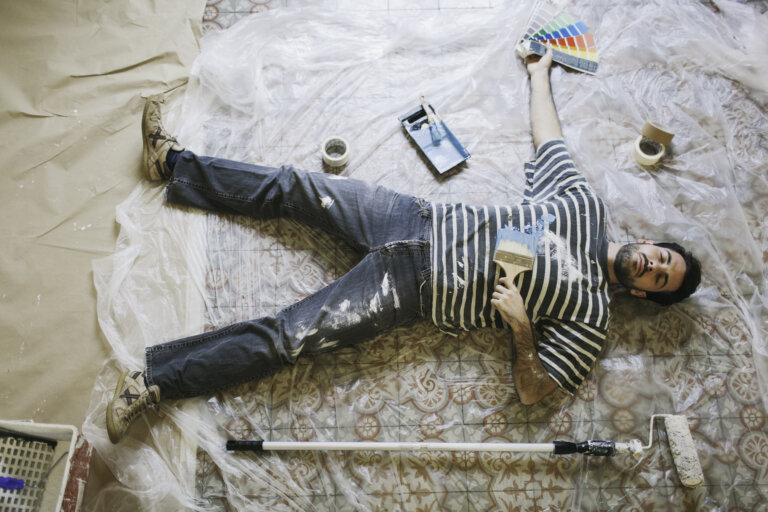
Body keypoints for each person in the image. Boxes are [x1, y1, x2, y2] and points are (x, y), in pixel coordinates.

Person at [106, 46, 701, 444]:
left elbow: (532, 390)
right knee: (298, 187)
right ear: (649, 241)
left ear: (645, 297)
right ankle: (173, 165)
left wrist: (521, 327)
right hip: (410, 217)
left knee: (290, 336)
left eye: (657, 280)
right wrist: (540, 73)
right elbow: (551, 140)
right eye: (660, 258)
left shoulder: (590, 318)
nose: (651, 267)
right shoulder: (582, 206)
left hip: (409, 293)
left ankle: (158, 381)